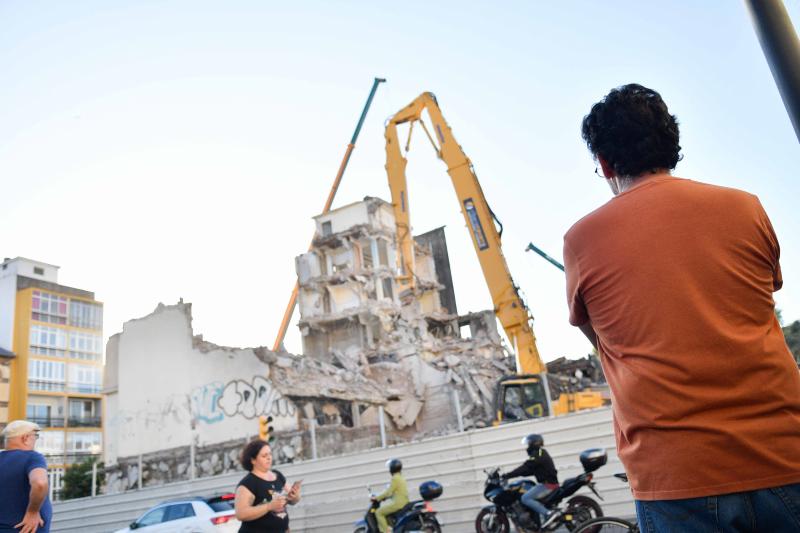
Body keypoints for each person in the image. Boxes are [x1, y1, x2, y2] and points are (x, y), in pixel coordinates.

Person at [566, 83, 800, 531]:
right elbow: (761, 297)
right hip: (785, 454)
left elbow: (602, 339)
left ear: (605, 163)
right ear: (672, 146)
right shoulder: (746, 208)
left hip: (677, 477)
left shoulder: (583, 239)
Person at [234, 440, 301, 533]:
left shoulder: (278, 475)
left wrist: (295, 496)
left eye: (270, 454)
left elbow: (293, 501)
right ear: (253, 460)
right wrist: (268, 506)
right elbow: (240, 514)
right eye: (264, 456)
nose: (269, 458)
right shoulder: (248, 483)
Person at [0, 420, 51, 533]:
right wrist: (32, 512)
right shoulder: (32, 457)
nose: (35, 440)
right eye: (35, 436)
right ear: (25, 438)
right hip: (26, 529)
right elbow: (40, 483)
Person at [503, 434, 559, 527]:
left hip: (548, 485)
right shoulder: (540, 453)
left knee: (525, 498)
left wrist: (508, 475)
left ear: (534, 444)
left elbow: (526, 467)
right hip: (547, 484)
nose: (527, 447)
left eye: (529, 444)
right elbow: (530, 470)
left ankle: (548, 513)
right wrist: (517, 474)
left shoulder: (539, 454)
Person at [373, 458, 409, 533]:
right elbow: (394, 492)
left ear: (392, 469)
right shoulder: (401, 477)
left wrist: (377, 498)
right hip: (404, 502)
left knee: (379, 512)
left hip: (398, 504)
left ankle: (386, 531)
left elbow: (388, 492)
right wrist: (385, 497)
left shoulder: (395, 478)